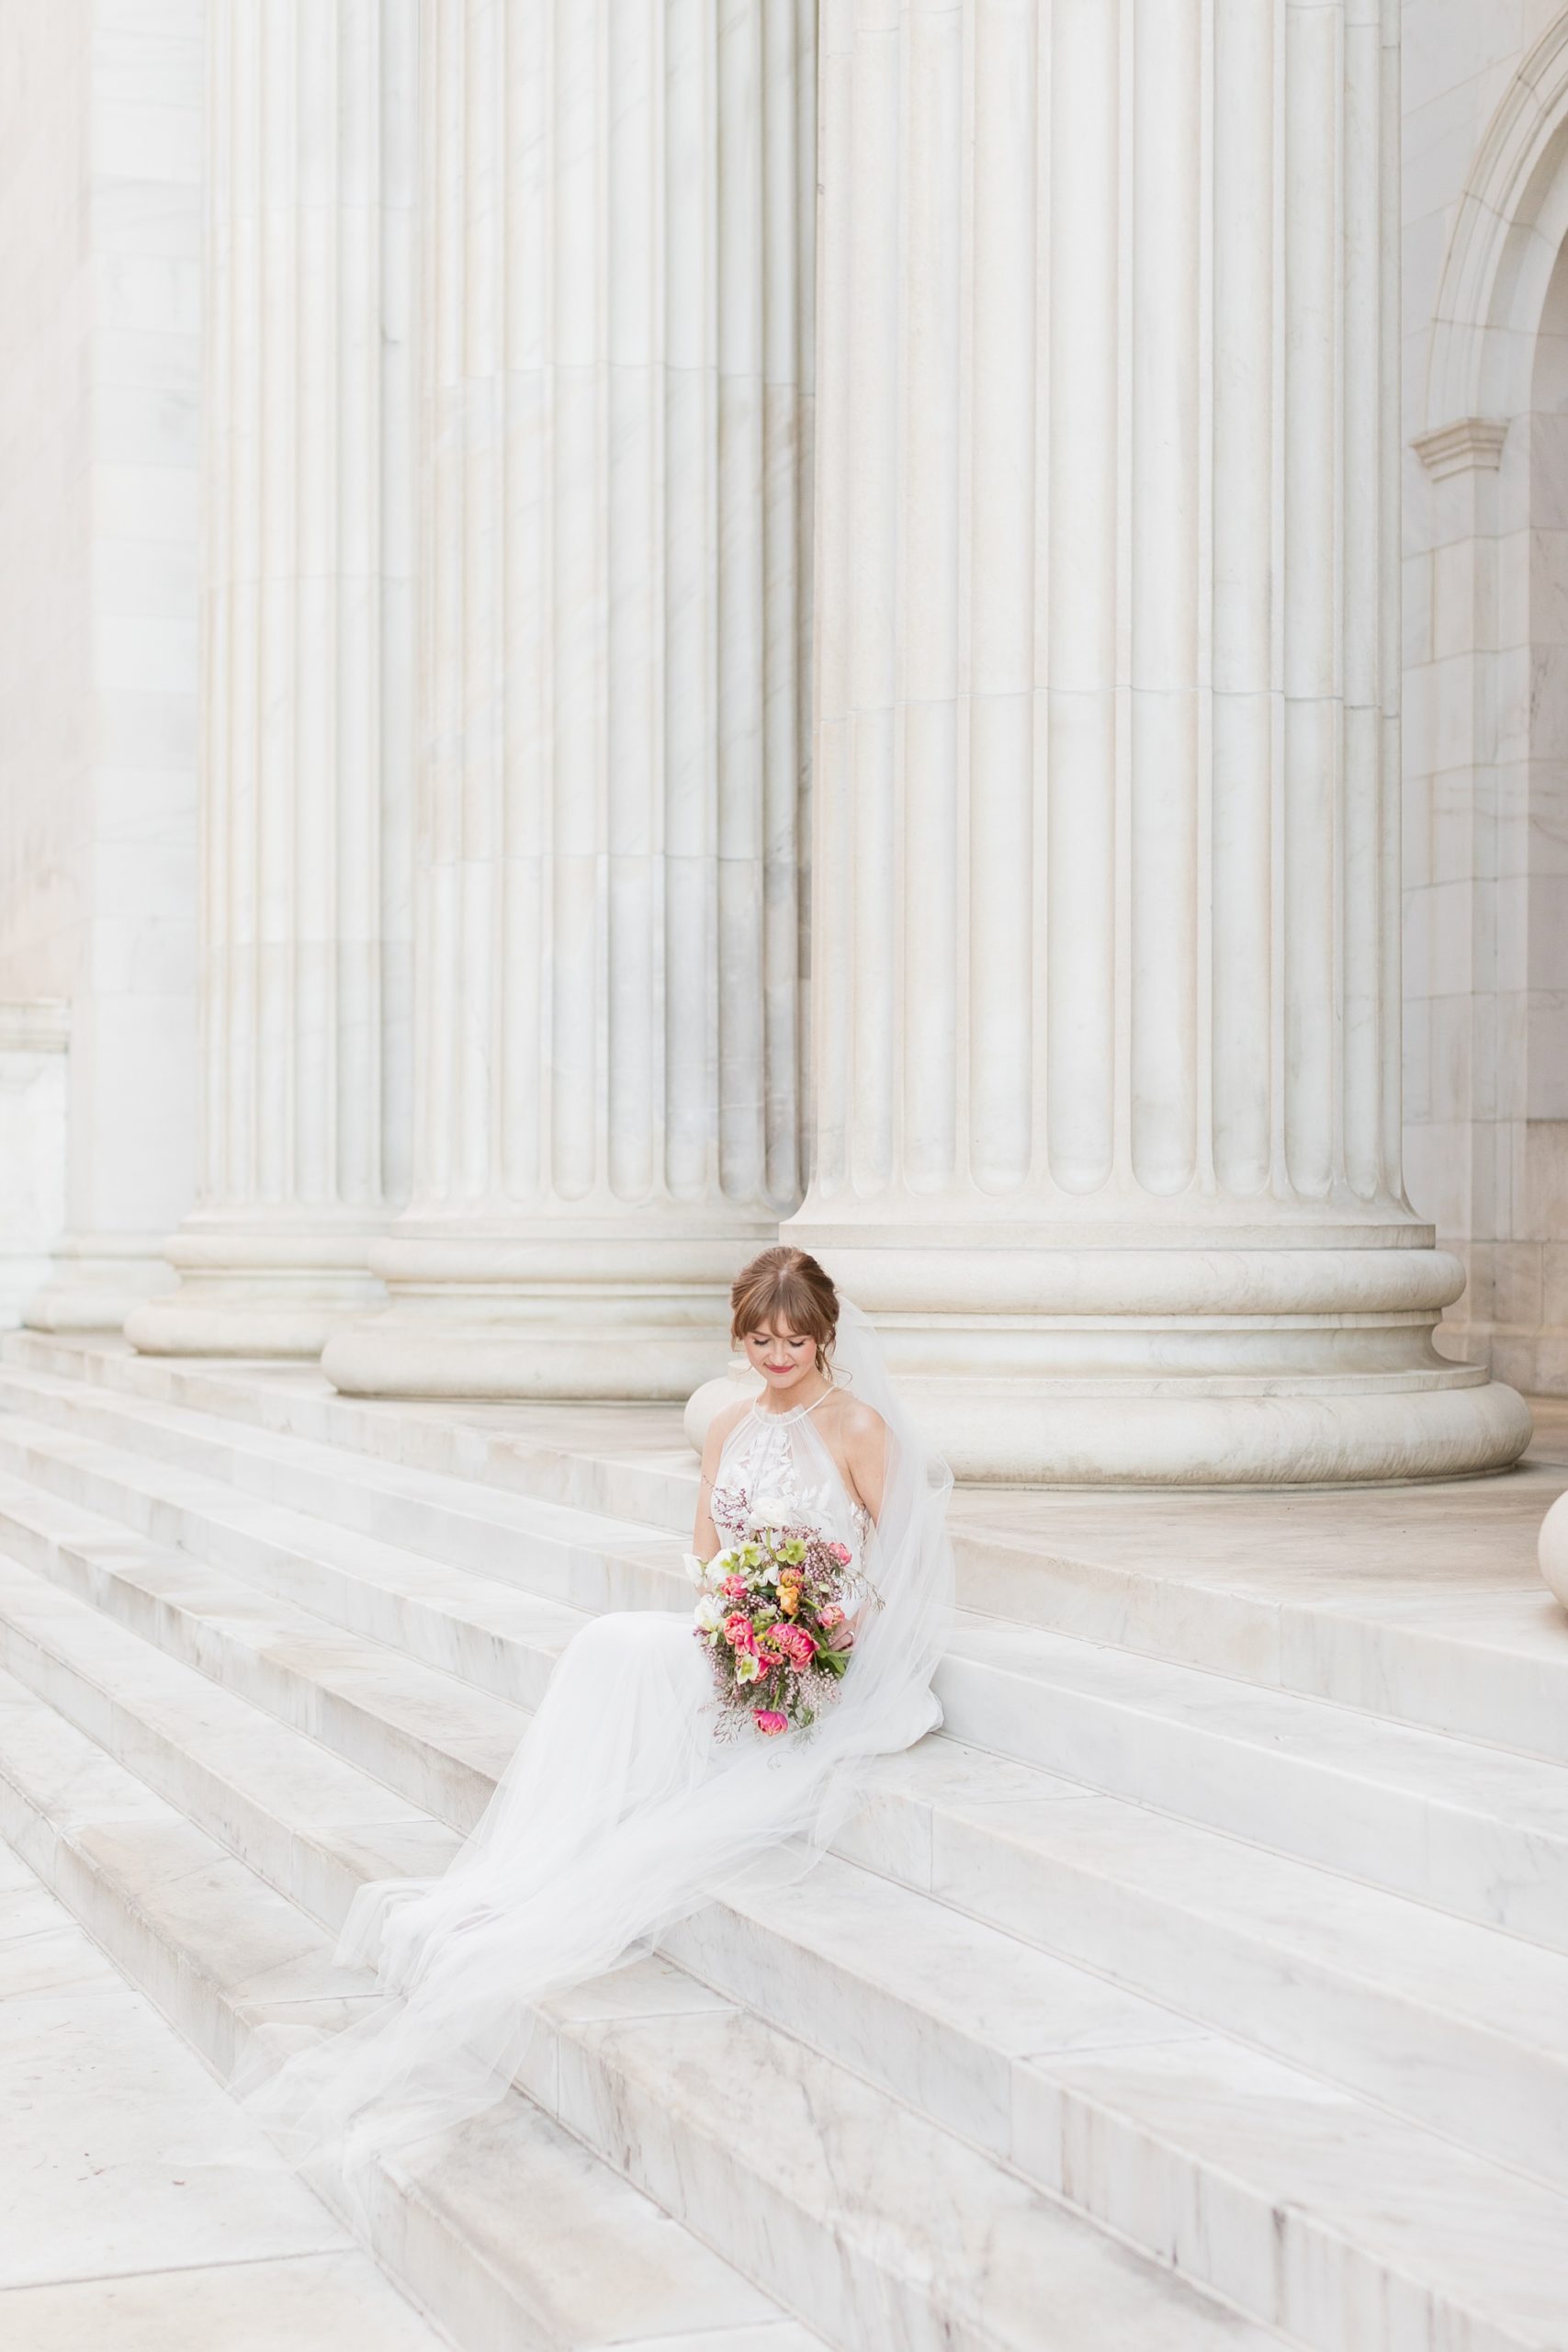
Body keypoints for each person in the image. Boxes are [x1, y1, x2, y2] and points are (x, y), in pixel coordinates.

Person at [235, 1246, 955, 2188]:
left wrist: (816, 1625)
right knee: (612, 1641)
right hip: (742, 1630)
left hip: (826, 1654)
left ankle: (584, 1836)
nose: (778, 1355)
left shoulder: (859, 1427)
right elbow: (707, 1547)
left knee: (627, 1647)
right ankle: (542, 1850)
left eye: (796, 1339)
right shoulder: (731, 1424)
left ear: (826, 1337)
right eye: (760, 1338)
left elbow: (896, 1562)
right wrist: (737, 1611)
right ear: (739, 1336)